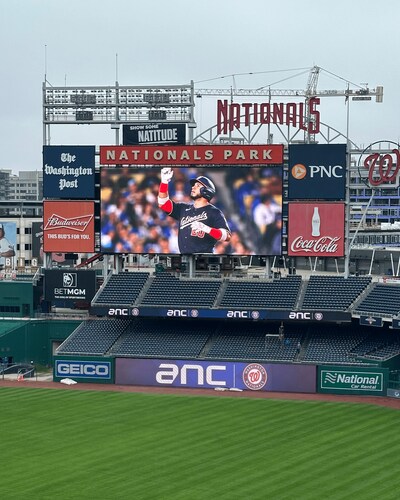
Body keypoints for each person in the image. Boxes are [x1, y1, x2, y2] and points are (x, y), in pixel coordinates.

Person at [158, 168, 231, 254]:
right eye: (194, 185)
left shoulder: (214, 212)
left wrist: (208, 229)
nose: (193, 187)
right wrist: (164, 182)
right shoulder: (183, 208)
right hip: (185, 259)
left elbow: (227, 236)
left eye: (198, 185)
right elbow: (163, 204)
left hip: (204, 259)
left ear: (206, 190)